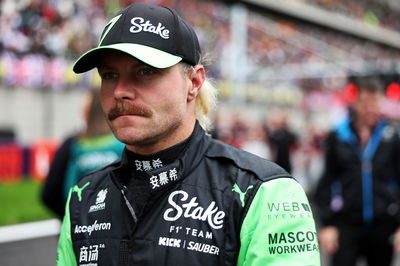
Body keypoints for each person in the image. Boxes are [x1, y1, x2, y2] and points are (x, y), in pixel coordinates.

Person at [56, 3, 320, 265]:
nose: (120, 91)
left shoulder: (264, 191)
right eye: (109, 75)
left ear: (193, 83)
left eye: (145, 71)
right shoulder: (83, 195)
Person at [314, 77, 400, 266]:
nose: (370, 109)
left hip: (384, 223)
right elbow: (326, 181)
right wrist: (327, 224)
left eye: (375, 103)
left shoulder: (392, 135)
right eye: (365, 103)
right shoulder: (338, 136)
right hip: (346, 222)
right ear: (354, 102)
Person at [41, 89, 124, 218]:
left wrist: (72, 217)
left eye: (85, 106)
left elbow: (60, 191)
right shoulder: (124, 143)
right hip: (116, 221)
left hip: (78, 221)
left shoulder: (75, 145)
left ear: (92, 110)